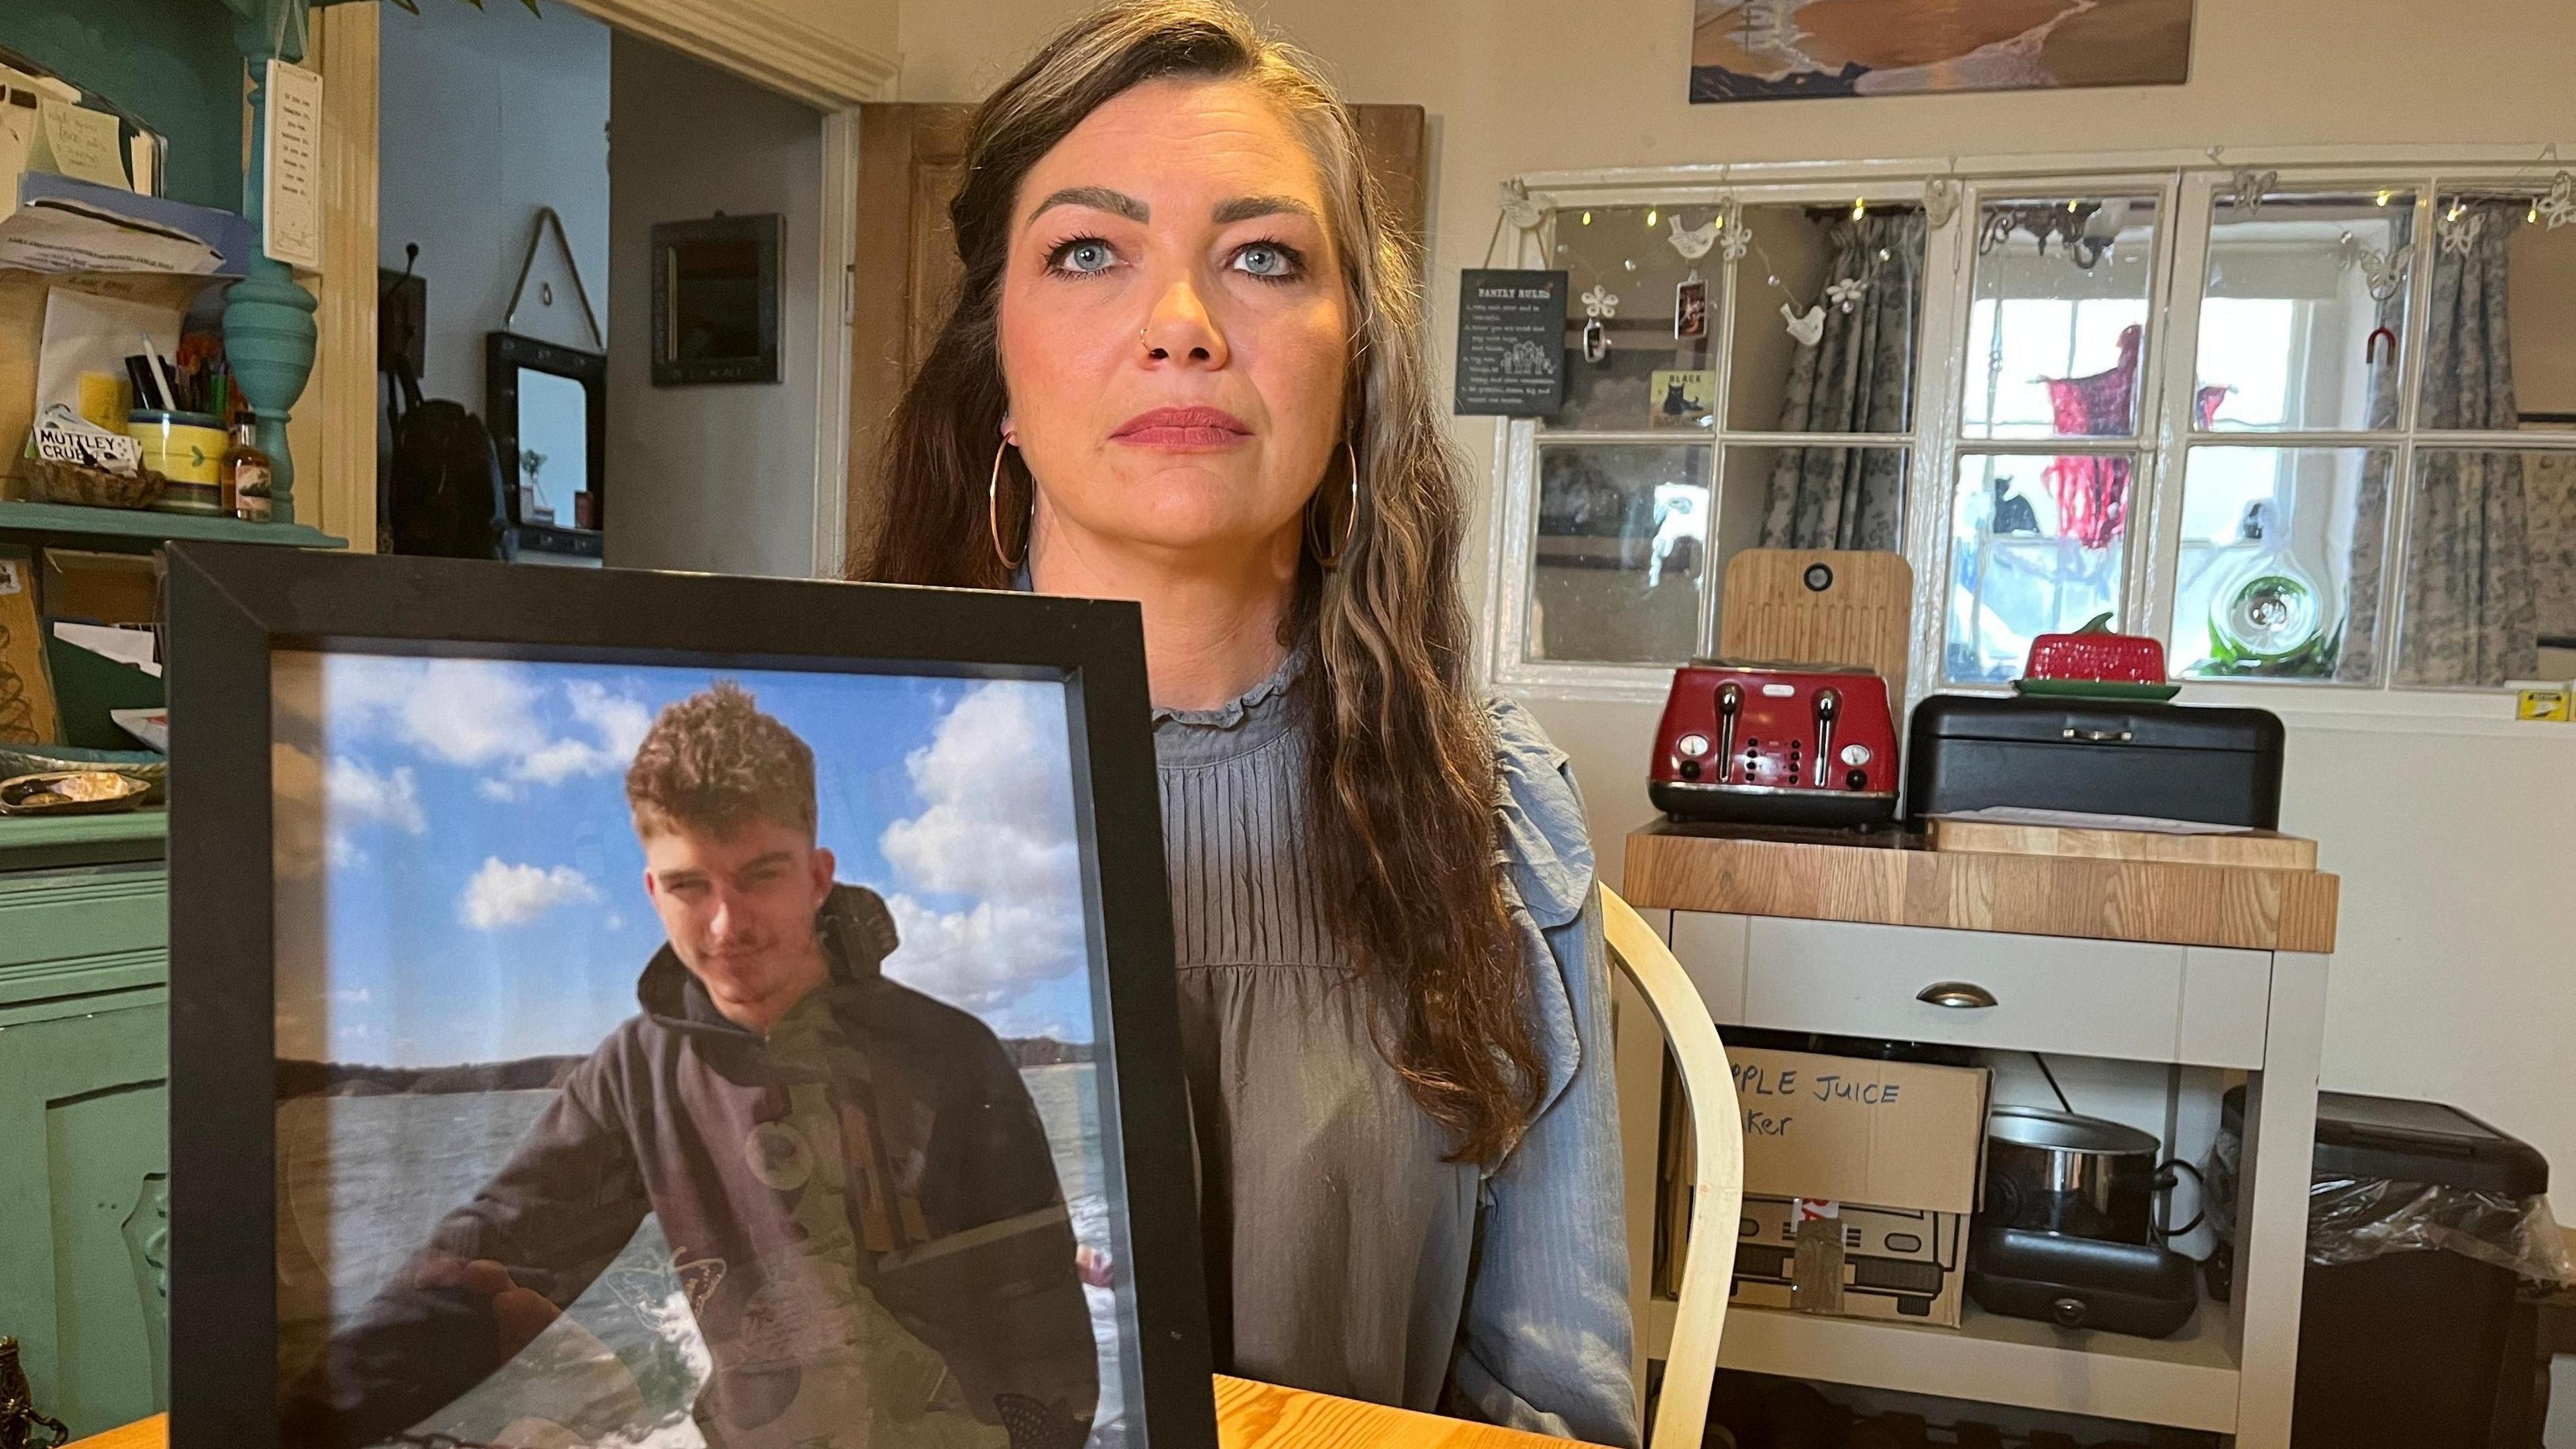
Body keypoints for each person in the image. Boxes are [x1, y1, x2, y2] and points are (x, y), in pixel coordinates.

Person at [863, 3, 1635, 1443]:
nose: (1182, 327)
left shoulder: (1496, 799)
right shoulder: (837, 773)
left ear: (1354, 367)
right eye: (1088, 249)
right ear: (999, 374)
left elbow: (1557, 1409)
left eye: (1263, 257)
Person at [284, 683, 1097, 1449]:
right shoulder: (635, 1076)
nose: (724, 922)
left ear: (818, 876)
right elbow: (484, 1265)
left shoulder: (954, 1055)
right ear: (650, 891)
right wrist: (291, 1426)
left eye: (760, 875)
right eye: (688, 885)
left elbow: (1042, 1341)